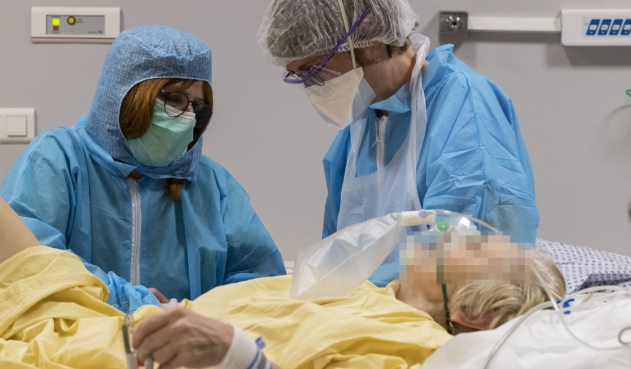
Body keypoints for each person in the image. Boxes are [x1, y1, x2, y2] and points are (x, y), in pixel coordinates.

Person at [0, 197, 565, 369]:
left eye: (470, 245)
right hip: (92, 328)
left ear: (472, 311)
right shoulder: (350, 290)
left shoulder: (415, 346)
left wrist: (242, 361)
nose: (450, 230)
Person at [0, 25, 285, 313]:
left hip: (183, 355)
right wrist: (129, 302)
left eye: (197, 107)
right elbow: (31, 265)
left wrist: (199, 320)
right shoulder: (58, 158)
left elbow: (260, 283)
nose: (188, 117)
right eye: (174, 98)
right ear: (125, 95)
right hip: (70, 350)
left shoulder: (212, 185)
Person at [258, 0, 539, 285]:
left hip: (452, 310)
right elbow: (339, 246)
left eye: (314, 69)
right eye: (299, 75)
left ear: (371, 39)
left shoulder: (464, 110)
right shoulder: (360, 123)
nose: (311, 85)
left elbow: (462, 248)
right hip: (372, 309)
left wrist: (371, 294)